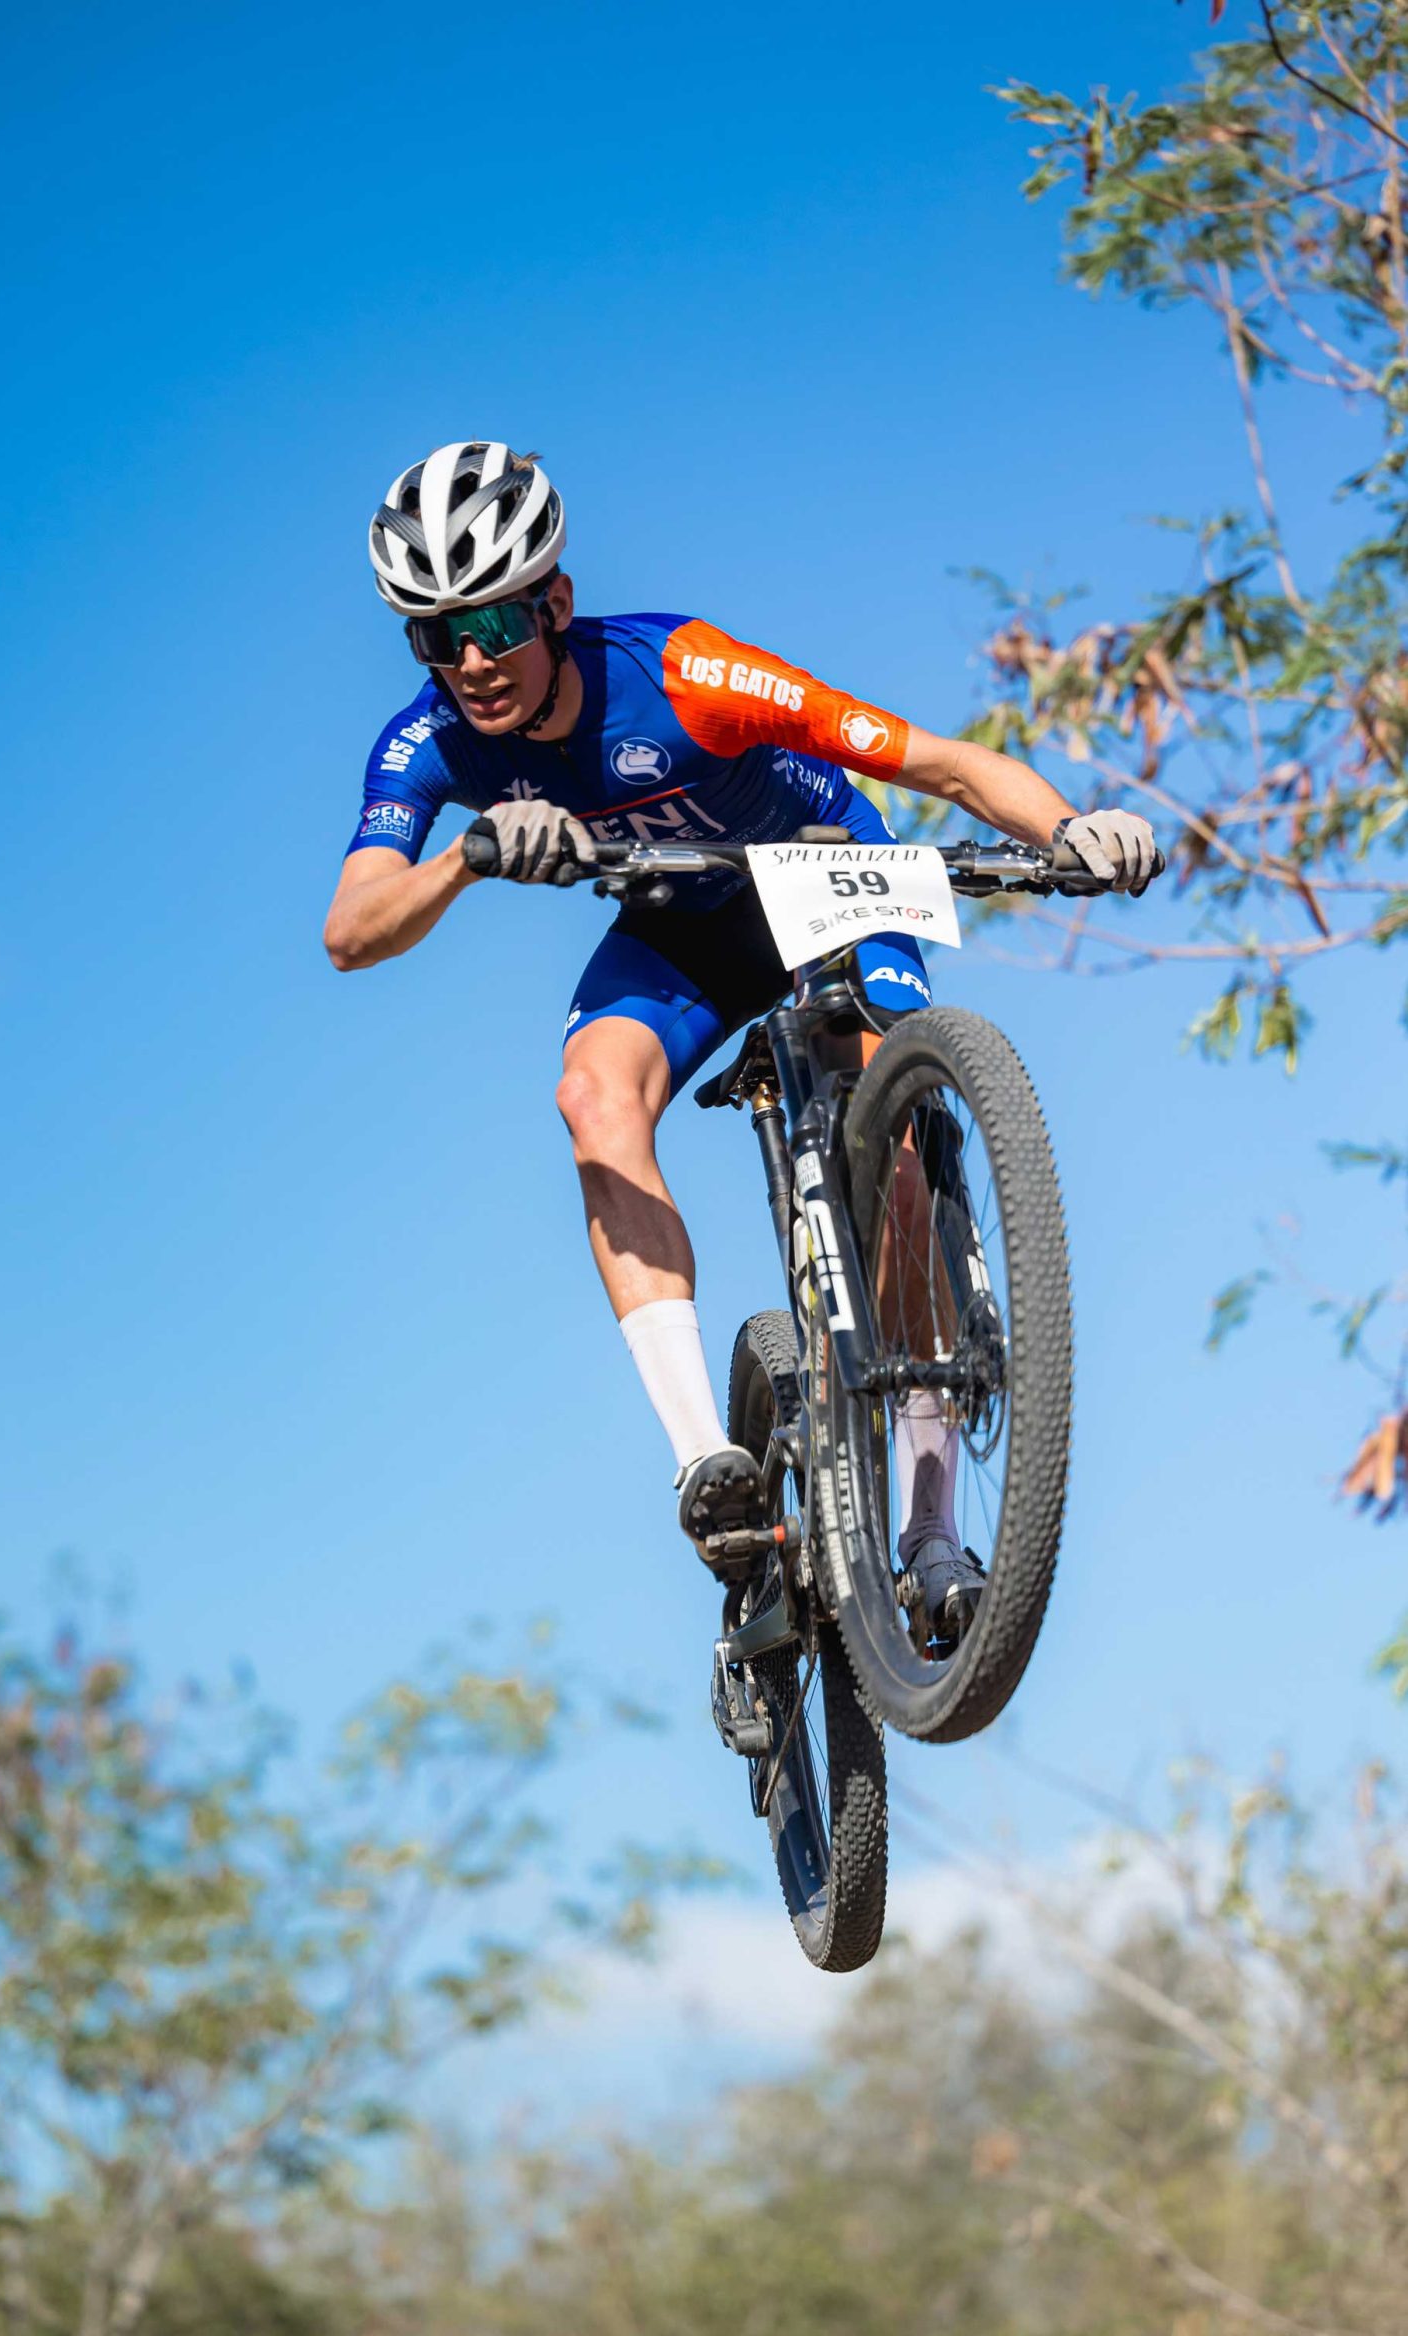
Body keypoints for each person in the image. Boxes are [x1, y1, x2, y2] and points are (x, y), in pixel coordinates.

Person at [324, 441, 1159, 1629]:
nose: (471, 660)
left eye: (499, 620)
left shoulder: (689, 672)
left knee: (898, 1129)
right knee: (591, 1092)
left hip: (825, 869)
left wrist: (1079, 830)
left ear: (556, 602)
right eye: (433, 633)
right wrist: (469, 852)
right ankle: (703, 1456)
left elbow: (944, 763)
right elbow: (352, 928)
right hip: (685, 915)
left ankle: (929, 1530)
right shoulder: (432, 742)